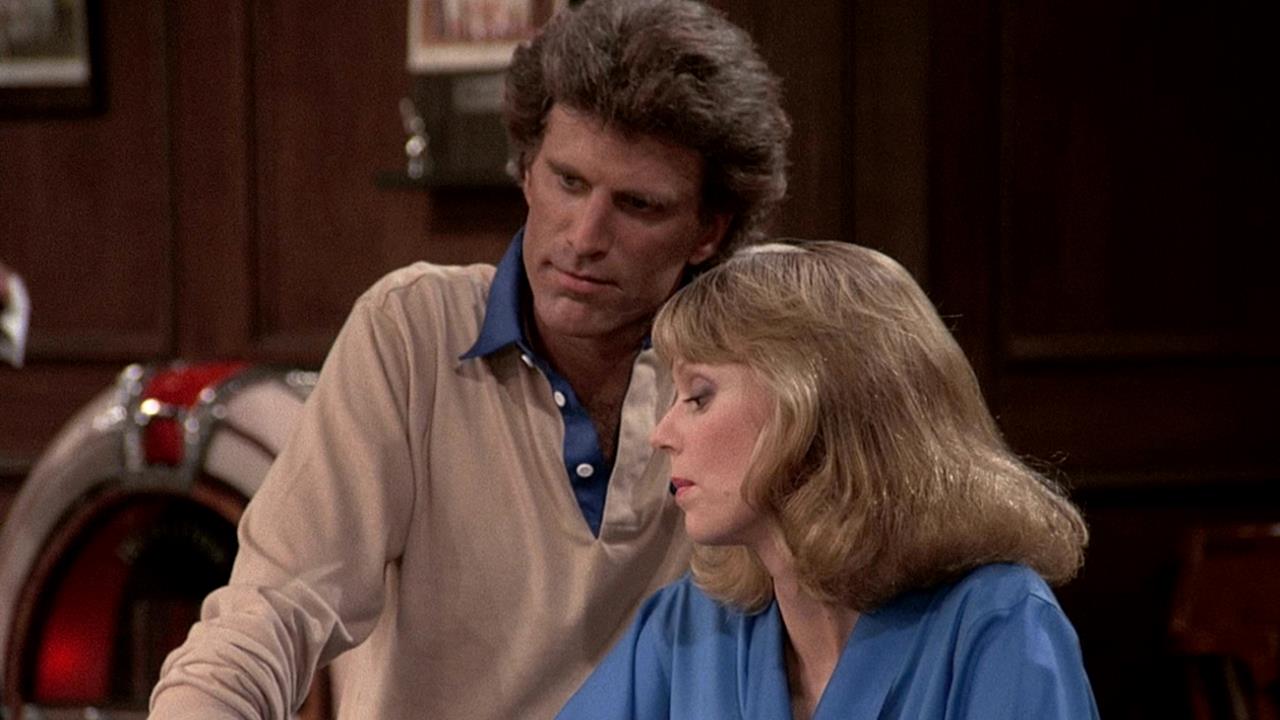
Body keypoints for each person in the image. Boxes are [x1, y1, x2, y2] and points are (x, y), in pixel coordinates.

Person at [148, 0, 789, 718]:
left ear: (708, 231)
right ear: (526, 172)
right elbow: (273, 607)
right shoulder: (413, 330)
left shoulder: (753, 363)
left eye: (637, 205)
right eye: (569, 182)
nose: (585, 236)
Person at [558, 241, 1099, 720]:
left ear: (811, 407)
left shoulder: (997, 624)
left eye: (699, 397)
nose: (662, 434)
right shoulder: (688, 628)